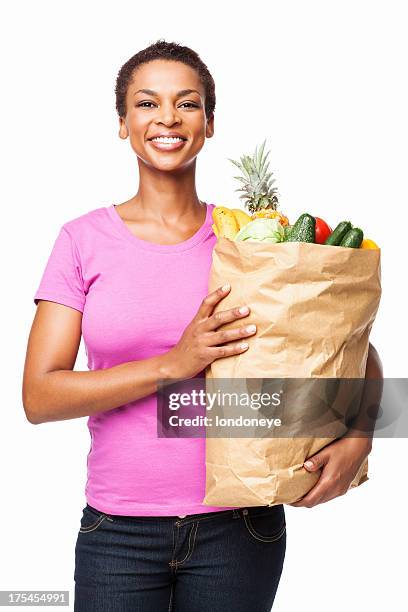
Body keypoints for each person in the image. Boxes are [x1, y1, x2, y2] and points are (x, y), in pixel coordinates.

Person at [23, 39, 382, 612]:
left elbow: (347, 346)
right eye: (147, 103)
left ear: (209, 123)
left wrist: (360, 434)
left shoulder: (252, 240)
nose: (167, 117)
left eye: (186, 103)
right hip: (118, 531)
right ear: (123, 123)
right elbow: (39, 396)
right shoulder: (81, 241)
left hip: (240, 527)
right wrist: (173, 364)